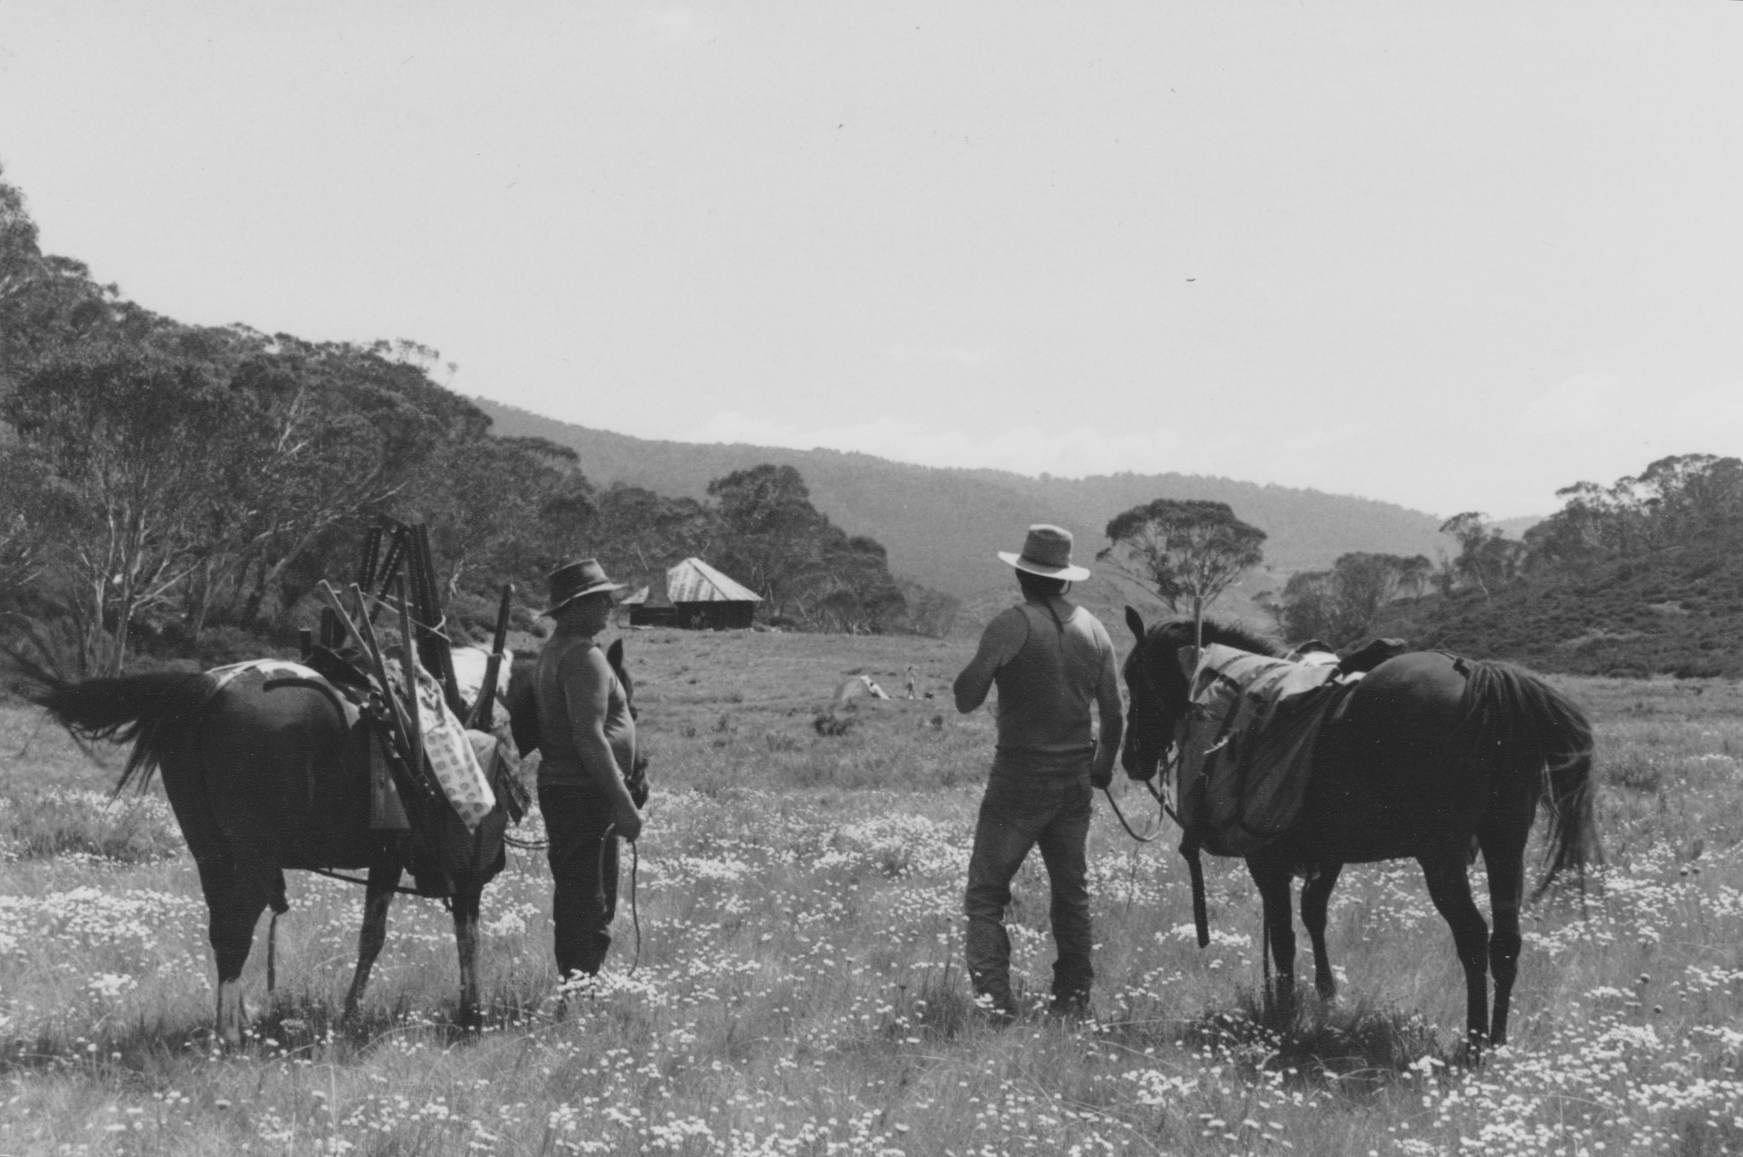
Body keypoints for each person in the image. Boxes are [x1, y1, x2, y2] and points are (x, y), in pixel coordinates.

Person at [953, 524, 1122, 1021]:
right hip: (1074, 780)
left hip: (1019, 777)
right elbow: (1113, 714)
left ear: (1023, 574)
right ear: (1065, 578)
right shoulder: (1095, 628)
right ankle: (1072, 1000)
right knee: (1071, 893)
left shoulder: (1011, 623)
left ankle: (995, 1005)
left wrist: (988, 663)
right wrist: (1103, 766)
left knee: (986, 894)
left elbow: (966, 699)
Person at [534, 559, 644, 981]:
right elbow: (590, 738)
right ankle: (581, 994)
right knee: (591, 902)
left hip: (568, 790)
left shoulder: (556, 651)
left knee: (578, 897)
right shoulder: (583, 657)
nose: (608, 609)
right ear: (577, 606)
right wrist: (624, 803)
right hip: (585, 793)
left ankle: (576, 985)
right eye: (601, 601)